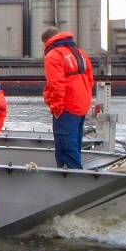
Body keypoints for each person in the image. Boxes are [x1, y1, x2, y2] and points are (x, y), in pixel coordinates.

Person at [42, 26, 94, 169]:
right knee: (75, 143)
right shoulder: (80, 53)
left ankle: (72, 177)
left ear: (47, 41)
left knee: (65, 148)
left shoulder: (53, 55)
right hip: (81, 105)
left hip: (66, 107)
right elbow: (90, 80)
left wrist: (57, 108)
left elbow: (56, 85)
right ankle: (76, 172)